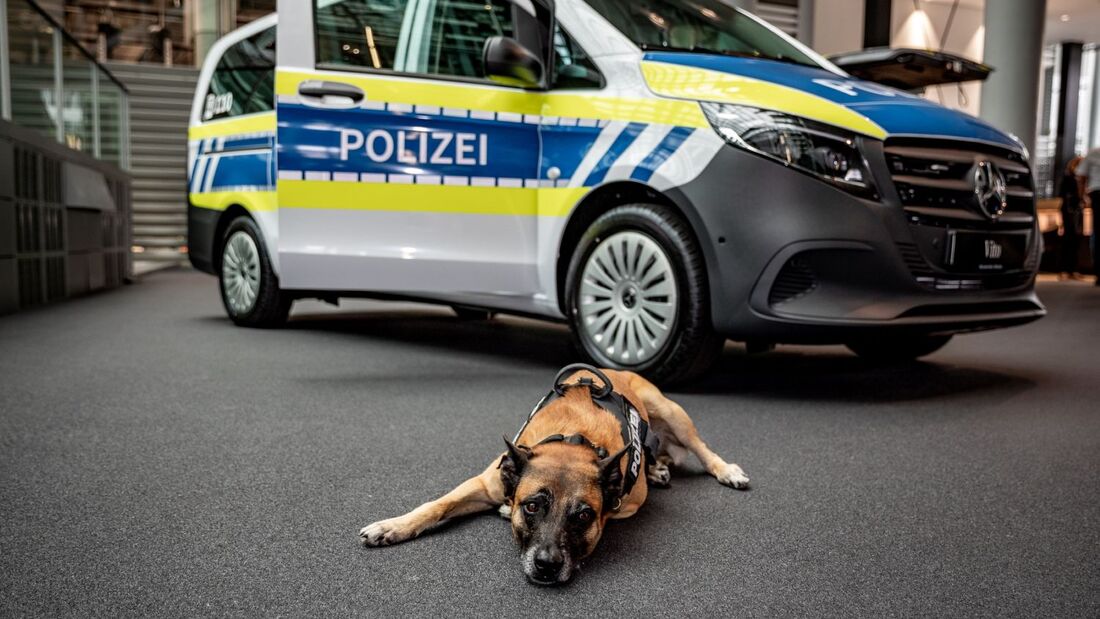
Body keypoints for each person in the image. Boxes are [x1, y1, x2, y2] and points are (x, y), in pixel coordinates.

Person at [1077, 146, 1100, 285]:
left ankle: (1098, 272)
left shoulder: (1094, 153)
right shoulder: (1094, 153)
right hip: (1097, 193)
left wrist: (1082, 196)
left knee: (1097, 233)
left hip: (1097, 194)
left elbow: (1081, 175)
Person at [1059, 156, 1084, 279]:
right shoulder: (1068, 178)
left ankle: (1073, 270)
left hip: (1078, 213)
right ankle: (1065, 270)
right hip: (1069, 212)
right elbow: (1063, 195)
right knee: (1068, 240)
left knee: (1076, 241)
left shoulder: (1080, 180)